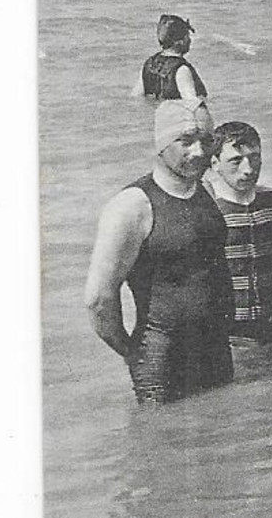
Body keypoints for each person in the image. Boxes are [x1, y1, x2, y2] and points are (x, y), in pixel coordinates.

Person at [84, 100, 232, 403]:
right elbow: (99, 299)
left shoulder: (204, 191)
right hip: (161, 363)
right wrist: (131, 353)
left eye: (206, 140)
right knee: (163, 446)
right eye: (186, 141)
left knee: (227, 445)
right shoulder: (132, 206)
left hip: (217, 354)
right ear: (161, 144)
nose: (199, 152)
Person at [206, 120, 272, 377]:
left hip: (270, 328)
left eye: (254, 158)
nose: (247, 169)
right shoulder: (205, 208)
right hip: (224, 335)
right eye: (235, 161)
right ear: (214, 164)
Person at [135, 13, 207, 102]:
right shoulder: (181, 69)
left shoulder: (150, 64)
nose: (190, 40)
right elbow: (192, 103)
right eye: (187, 35)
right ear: (181, 41)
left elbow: (136, 97)